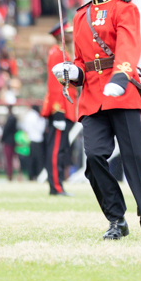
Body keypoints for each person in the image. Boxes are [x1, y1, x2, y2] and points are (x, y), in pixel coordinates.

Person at [52, 0, 141, 240]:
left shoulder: (125, 8)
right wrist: (71, 73)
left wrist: (121, 76)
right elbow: (81, 61)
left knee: (136, 160)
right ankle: (116, 218)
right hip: (92, 96)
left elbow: (128, 45)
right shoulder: (79, 15)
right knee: (94, 159)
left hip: (121, 92)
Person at [41, 22, 76, 195]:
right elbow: (55, 85)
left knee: (60, 149)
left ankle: (58, 185)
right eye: (68, 33)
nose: (71, 35)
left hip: (65, 107)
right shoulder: (57, 53)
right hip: (59, 108)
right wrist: (59, 112)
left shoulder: (63, 52)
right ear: (60, 35)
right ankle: (56, 186)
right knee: (55, 149)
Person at [21, 104, 46, 180]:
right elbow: (41, 129)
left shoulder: (28, 116)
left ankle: (31, 176)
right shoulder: (38, 116)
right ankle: (39, 175)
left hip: (30, 140)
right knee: (39, 160)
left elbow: (25, 128)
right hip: (38, 140)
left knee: (31, 160)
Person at [2, 105, 19, 182]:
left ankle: (10, 176)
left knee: (8, 160)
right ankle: (15, 175)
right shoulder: (15, 118)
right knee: (14, 159)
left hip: (8, 142)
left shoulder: (10, 118)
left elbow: (6, 130)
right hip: (13, 141)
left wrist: (2, 139)